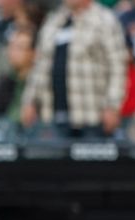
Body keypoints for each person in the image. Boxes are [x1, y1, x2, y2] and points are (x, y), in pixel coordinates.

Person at [21, 0, 128, 138]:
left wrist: (113, 106)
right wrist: (29, 101)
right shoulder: (54, 20)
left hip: (92, 116)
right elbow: (39, 66)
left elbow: (118, 67)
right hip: (53, 116)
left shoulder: (105, 20)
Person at [0, 26, 35, 124]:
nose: (13, 52)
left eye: (19, 48)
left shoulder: (39, 84)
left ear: (34, 52)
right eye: (11, 46)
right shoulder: (6, 81)